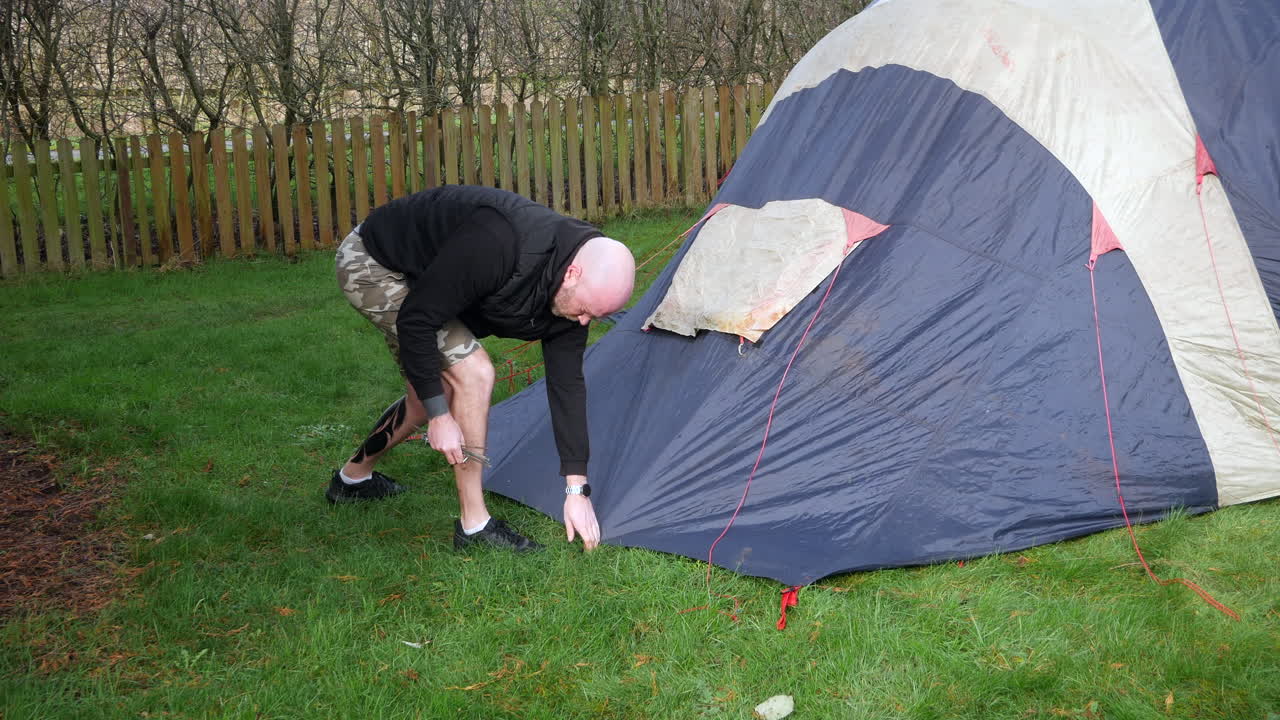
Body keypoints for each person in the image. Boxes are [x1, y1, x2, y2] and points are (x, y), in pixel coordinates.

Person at [327, 185, 635, 554]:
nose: (584, 322)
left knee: (425, 395)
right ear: (572, 273)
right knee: (472, 374)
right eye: (586, 310)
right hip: (372, 262)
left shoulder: (571, 299)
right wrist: (442, 417)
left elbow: (567, 387)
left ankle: (351, 480)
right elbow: (417, 319)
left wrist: (576, 490)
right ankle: (474, 526)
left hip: (430, 277)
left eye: (595, 318)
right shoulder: (499, 242)